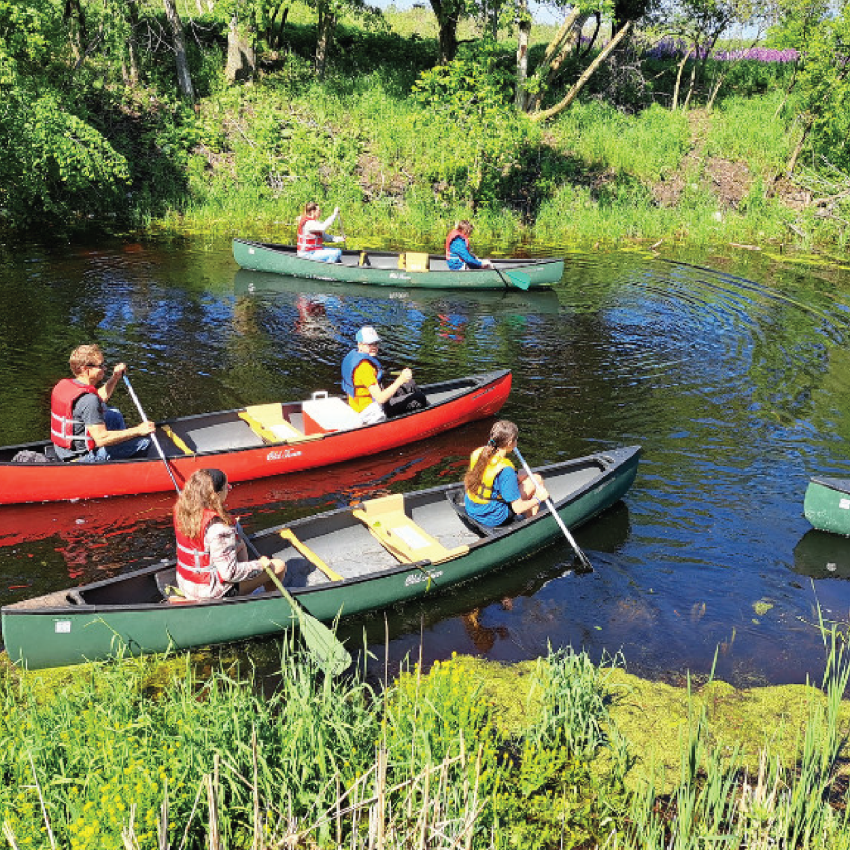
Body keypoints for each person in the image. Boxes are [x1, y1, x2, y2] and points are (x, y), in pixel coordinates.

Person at [173, 468, 287, 601]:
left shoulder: (183, 512)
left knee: (240, 545)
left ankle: (244, 591)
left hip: (186, 583)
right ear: (217, 494)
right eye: (227, 487)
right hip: (210, 592)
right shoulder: (219, 529)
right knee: (278, 566)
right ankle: (267, 603)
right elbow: (229, 574)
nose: (228, 490)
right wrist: (261, 564)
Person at [50, 344, 155, 463]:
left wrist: (115, 377)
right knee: (144, 442)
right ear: (85, 369)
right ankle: (125, 469)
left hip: (62, 451)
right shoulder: (89, 400)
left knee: (114, 415)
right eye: (100, 366)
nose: (104, 369)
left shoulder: (66, 386)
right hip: (80, 459)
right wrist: (138, 430)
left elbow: (99, 398)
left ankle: (120, 448)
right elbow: (101, 439)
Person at [464, 420, 549, 527]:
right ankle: (531, 523)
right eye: (516, 439)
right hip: (493, 516)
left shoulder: (479, 452)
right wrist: (538, 499)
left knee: (525, 473)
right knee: (537, 479)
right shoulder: (506, 471)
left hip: (472, 507)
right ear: (509, 443)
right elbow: (518, 508)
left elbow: (493, 477)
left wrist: (519, 475)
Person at [341, 325, 417, 423]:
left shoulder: (354, 355)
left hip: (357, 403)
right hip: (368, 410)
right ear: (360, 344)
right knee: (419, 398)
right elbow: (380, 398)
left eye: (376, 343)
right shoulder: (364, 368)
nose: (374, 347)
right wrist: (400, 380)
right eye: (369, 344)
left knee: (411, 384)